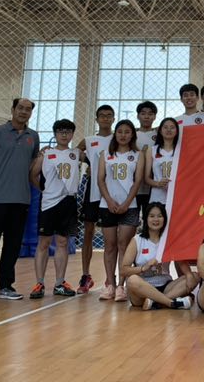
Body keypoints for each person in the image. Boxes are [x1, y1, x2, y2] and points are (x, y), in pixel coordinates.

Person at [0, 98, 40, 303]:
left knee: (12, 245)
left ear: (31, 113)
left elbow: (33, 163)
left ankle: (5, 286)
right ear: (13, 109)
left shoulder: (33, 136)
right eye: (20, 108)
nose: (23, 112)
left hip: (21, 199)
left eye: (28, 109)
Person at [28, 119, 79, 299]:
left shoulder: (77, 153)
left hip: (68, 202)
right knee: (43, 243)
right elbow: (33, 175)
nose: (64, 134)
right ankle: (39, 283)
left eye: (68, 131)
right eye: (60, 131)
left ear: (72, 134)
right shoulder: (46, 154)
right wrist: (44, 190)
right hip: (49, 203)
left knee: (63, 243)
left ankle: (59, 283)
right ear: (55, 133)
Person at [97, 119, 145, 302]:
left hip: (129, 206)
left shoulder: (138, 155)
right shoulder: (106, 154)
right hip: (107, 205)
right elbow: (100, 180)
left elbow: (138, 181)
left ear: (132, 135)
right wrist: (109, 201)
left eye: (127, 132)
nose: (123, 135)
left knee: (124, 245)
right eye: (120, 131)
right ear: (115, 134)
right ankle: (109, 283)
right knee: (109, 245)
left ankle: (121, 286)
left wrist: (127, 202)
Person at [123, 202, 199, 310]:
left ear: (164, 219)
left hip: (166, 286)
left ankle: (156, 303)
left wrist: (189, 275)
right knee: (132, 280)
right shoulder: (137, 240)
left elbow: (181, 261)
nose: (156, 219)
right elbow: (124, 270)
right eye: (152, 216)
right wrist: (143, 268)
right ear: (146, 218)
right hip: (143, 288)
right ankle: (170, 303)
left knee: (195, 276)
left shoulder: (169, 240)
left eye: (159, 216)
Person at [76, 104, 115, 294]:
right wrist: (88, 162)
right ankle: (86, 275)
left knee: (111, 237)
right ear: (97, 119)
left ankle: (111, 278)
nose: (106, 118)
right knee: (88, 233)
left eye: (109, 115)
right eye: (102, 116)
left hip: (113, 191)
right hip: (93, 191)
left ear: (113, 118)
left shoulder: (118, 137)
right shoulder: (89, 140)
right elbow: (75, 152)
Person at [145, 117, 178, 205]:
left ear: (177, 131)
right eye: (165, 127)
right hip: (157, 198)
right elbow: (147, 178)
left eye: (172, 127)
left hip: (177, 197)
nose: (169, 130)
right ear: (160, 131)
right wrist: (158, 183)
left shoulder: (181, 150)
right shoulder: (151, 150)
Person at [135, 101, 158, 223]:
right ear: (138, 116)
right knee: (132, 220)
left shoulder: (159, 134)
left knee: (150, 219)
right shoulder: (131, 134)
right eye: (143, 113)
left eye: (150, 114)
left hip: (153, 185)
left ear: (154, 117)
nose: (146, 116)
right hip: (134, 185)